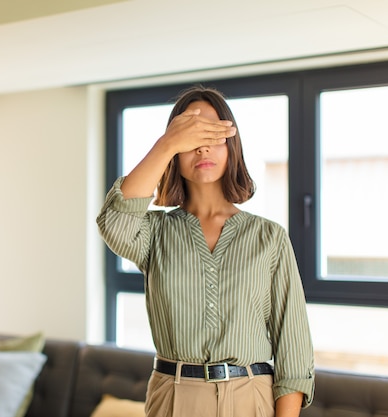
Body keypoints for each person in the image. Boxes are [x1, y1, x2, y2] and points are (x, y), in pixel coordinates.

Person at [96, 85, 314, 417]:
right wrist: (166, 143)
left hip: (252, 398)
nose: (202, 147)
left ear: (232, 146)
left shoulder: (269, 238)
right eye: (191, 136)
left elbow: (294, 352)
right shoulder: (154, 233)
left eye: (213, 133)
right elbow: (114, 220)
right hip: (174, 397)